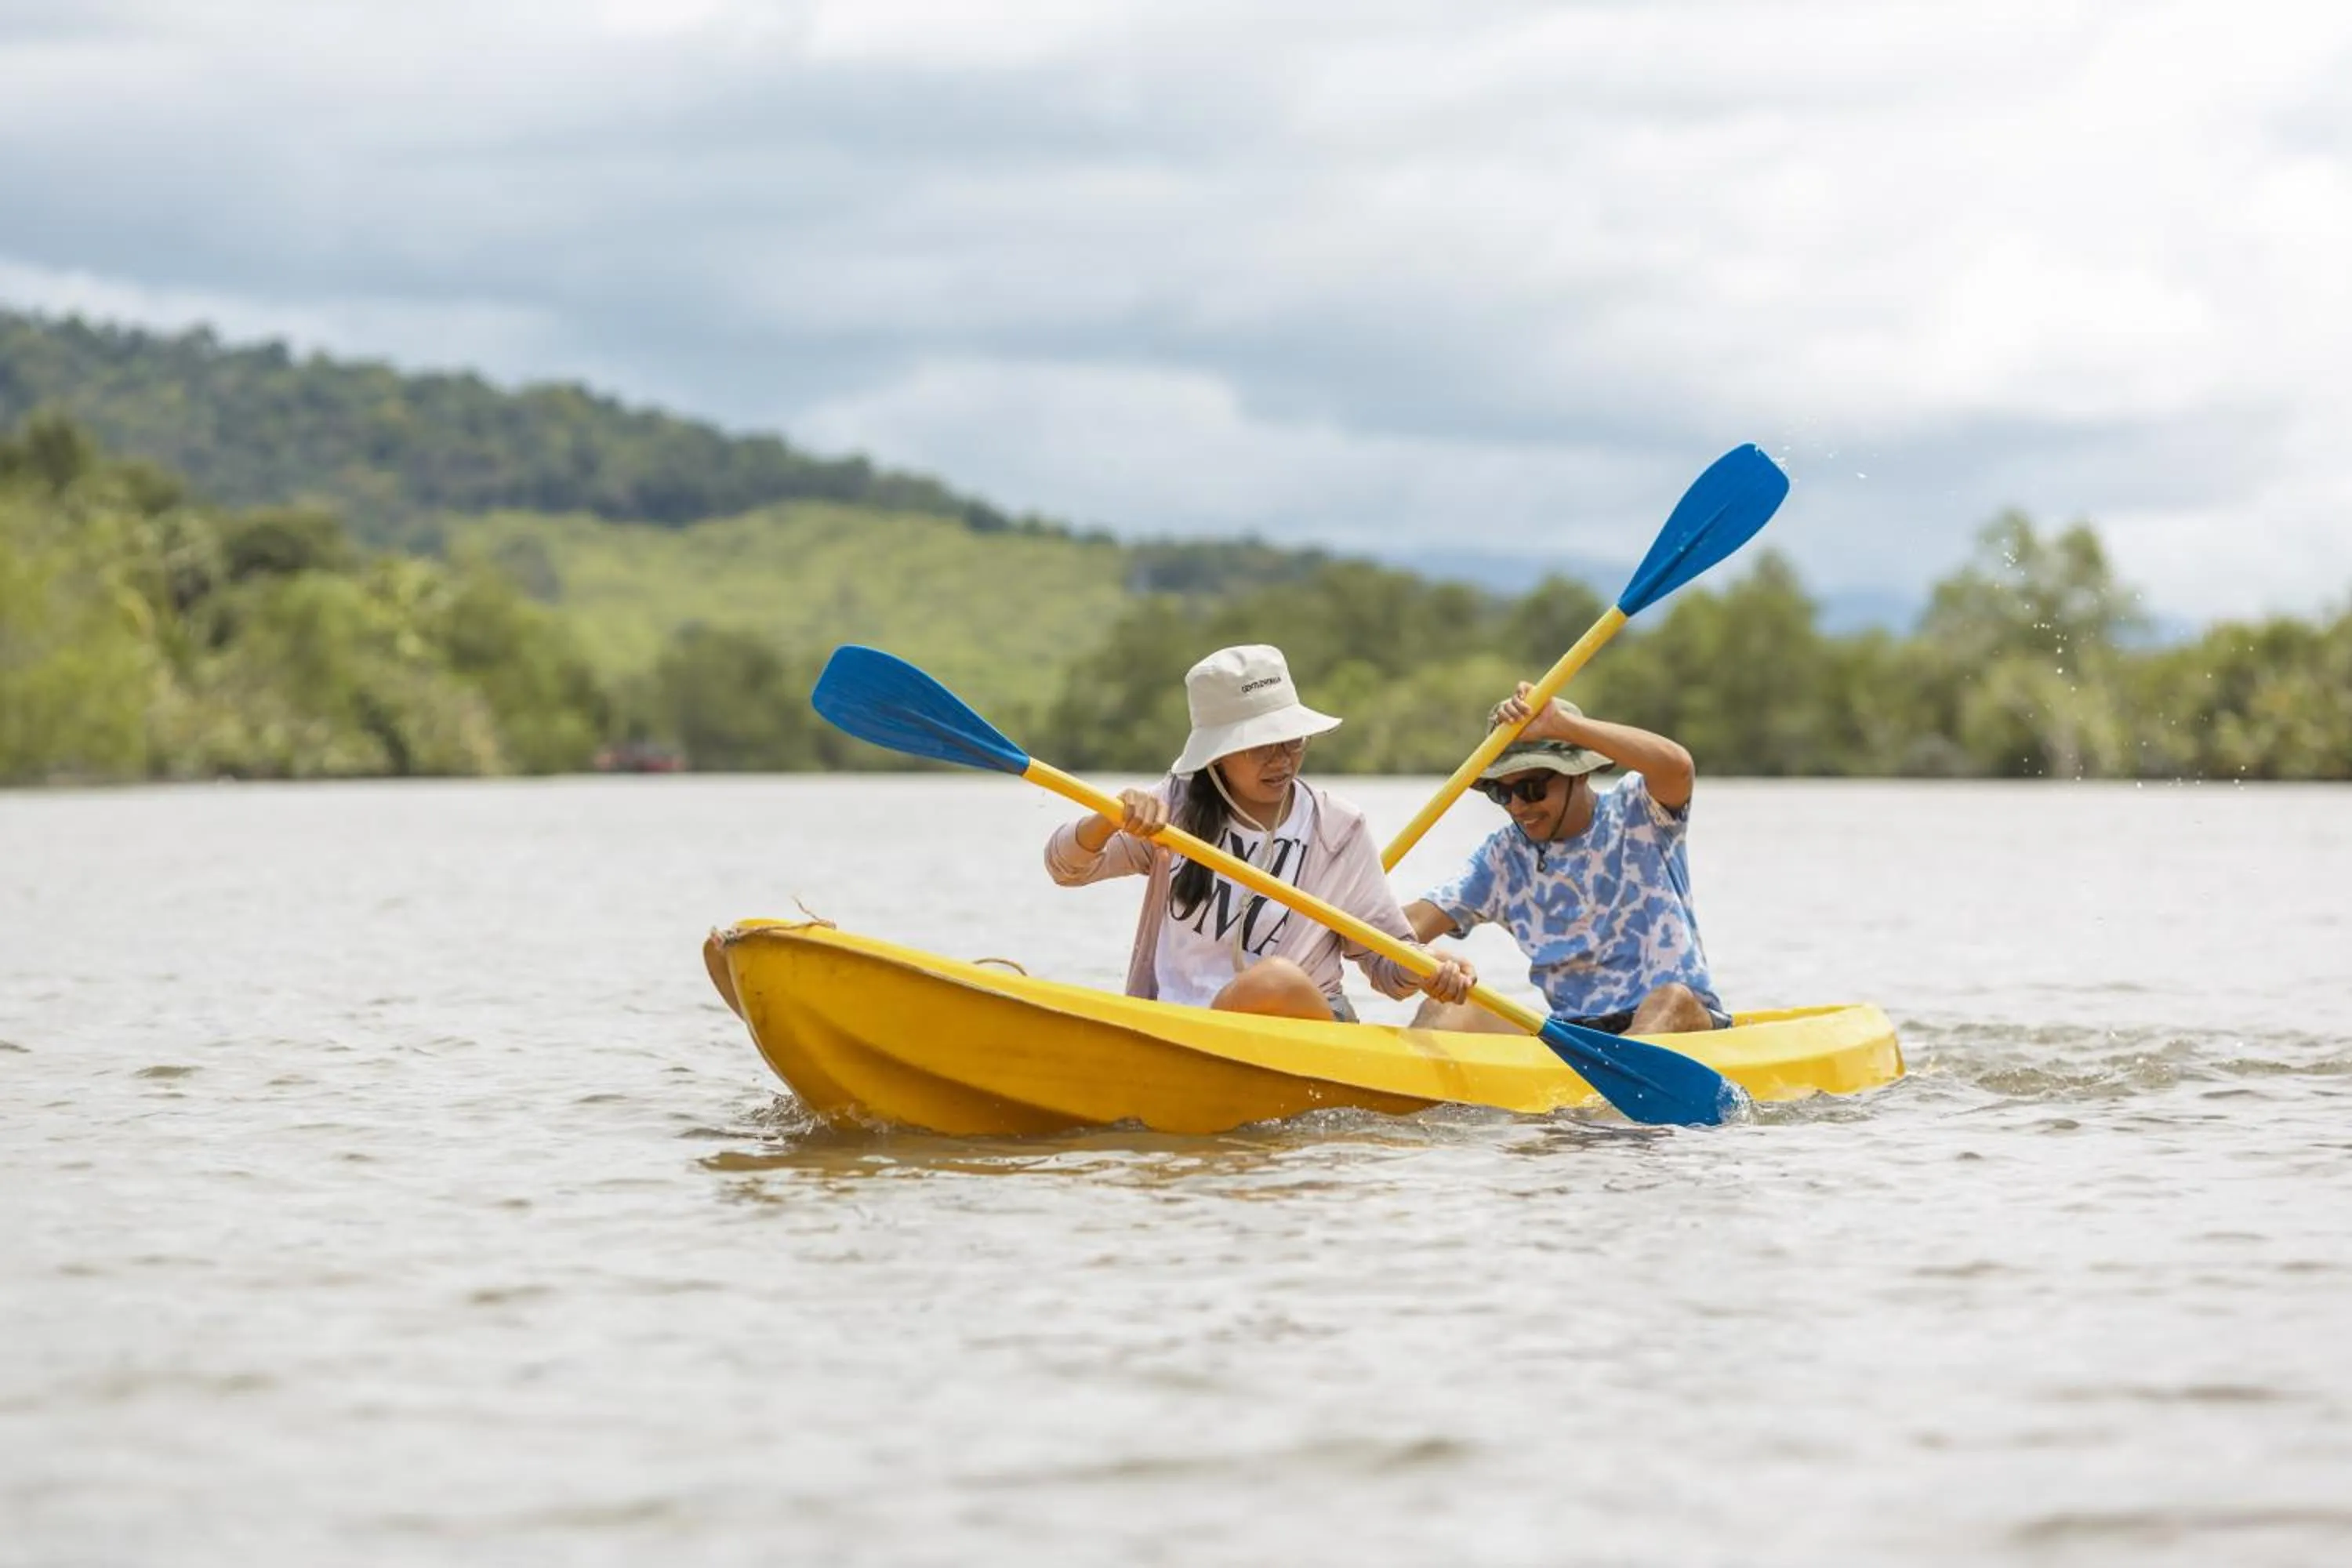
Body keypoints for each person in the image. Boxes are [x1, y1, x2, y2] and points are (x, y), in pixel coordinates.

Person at [1047, 644, 1476, 1022]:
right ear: (1217, 756)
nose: (1281, 760)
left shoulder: (1339, 828)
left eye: (1292, 741)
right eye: (1260, 745)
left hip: (1301, 1026)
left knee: (1274, 980)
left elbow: (1387, 966)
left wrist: (1427, 968)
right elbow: (1065, 868)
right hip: (1180, 1026)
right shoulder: (1172, 810)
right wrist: (1110, 818)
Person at [1403, 685, 1728, 1036]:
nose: (1517, 806)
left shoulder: (1640, 810)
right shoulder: (1502, 857)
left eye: (1531, 789)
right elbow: (1400, 927)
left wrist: (1560, 725)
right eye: (1502, 792)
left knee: (1671, 998)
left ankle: (1612, 1087)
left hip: (1680, 1021)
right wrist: (1431, 963)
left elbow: (1677, 767)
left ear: (1579, 773)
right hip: (1575, 1036)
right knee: (1445, 1008)